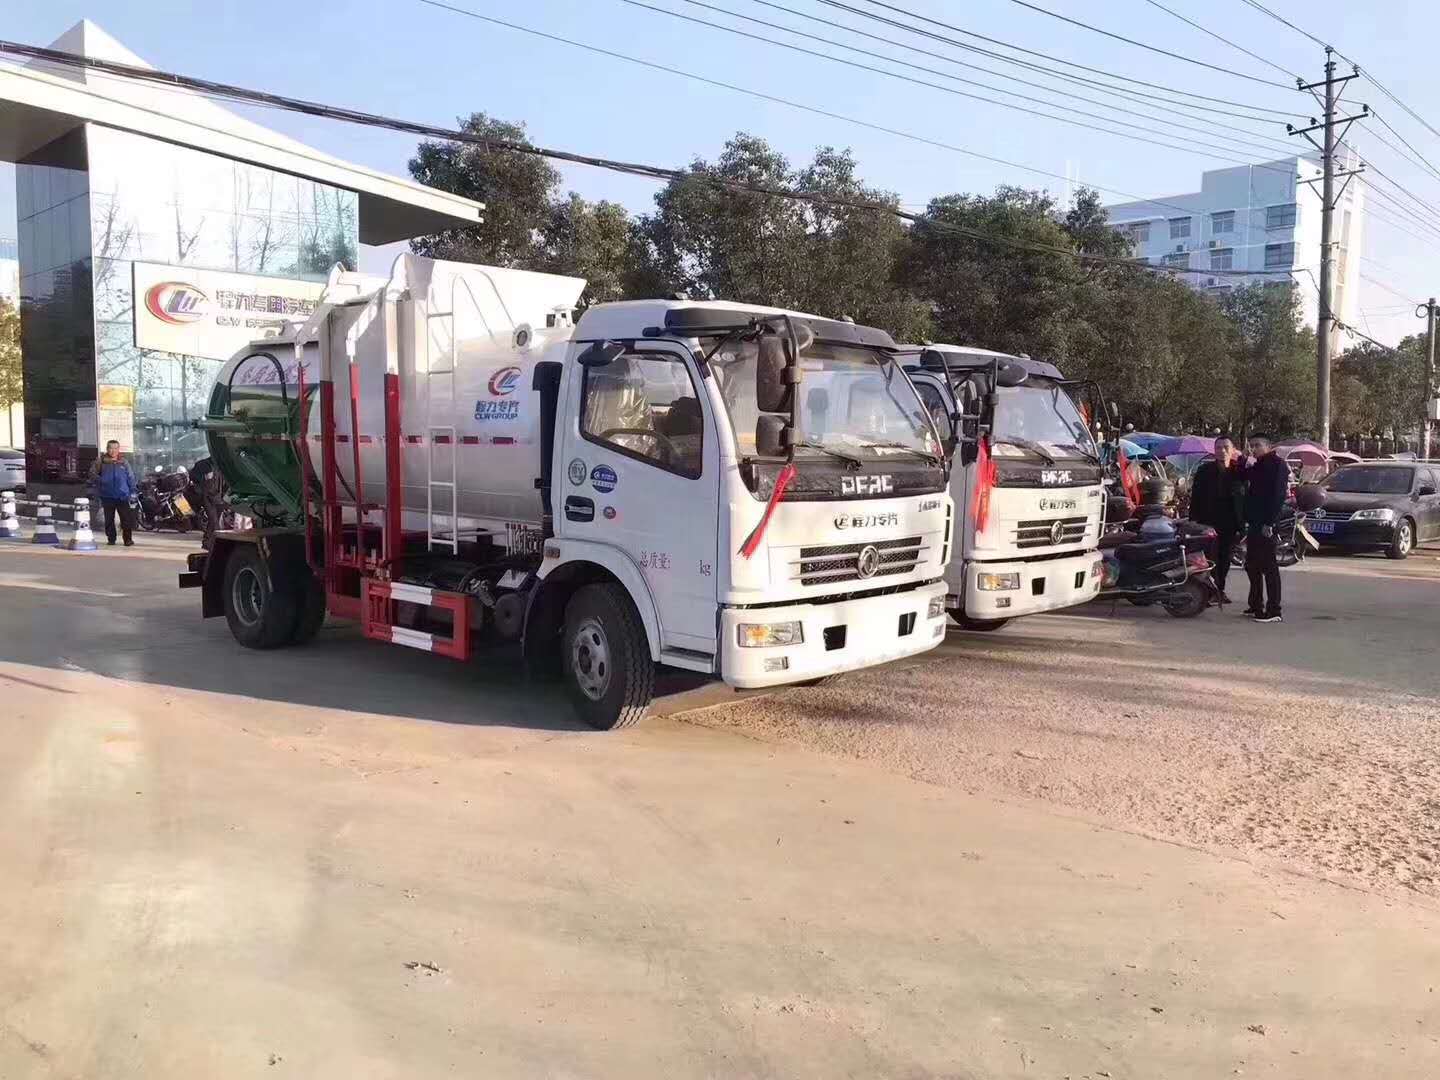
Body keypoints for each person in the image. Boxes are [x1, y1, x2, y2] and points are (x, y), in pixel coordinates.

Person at [1239, 432, 1289, 623]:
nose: (1254, 449)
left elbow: (1278, 495)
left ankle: (1274, 610)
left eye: (1257, 445)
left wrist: (1270, 522)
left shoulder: (1277, 465)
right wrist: (1243, 460)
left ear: (1269, 446)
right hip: (1254, 522)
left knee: (1269, 566)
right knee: (1252, 564)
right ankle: (1255, 604)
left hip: (1267, 523)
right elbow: (1243, 477)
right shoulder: (1258, 465)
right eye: (1252, 445)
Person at [1188, 436, 1243, 602]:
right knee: (1208, 558)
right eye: (1218, 447)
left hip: (1231, 522)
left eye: (1226, 447)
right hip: (1208, 520)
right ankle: (1208, 591)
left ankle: (1220, 590)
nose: (1222, 451)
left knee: (1225, 558)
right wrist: (1194, 520)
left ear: (1233, 450)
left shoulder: (1239, 471)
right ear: (1214, 451)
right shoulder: (1204, 470)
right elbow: (1196, 497)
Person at [88, 440, 137, 547]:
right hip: (107, 495)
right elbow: (91, 474)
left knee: (126, 519)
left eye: (115, 448)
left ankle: (128, 540)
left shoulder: (123, 462)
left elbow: (131, 477)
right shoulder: (101, 461)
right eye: (111, 448)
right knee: (109, 520)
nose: (113, 450)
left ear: (118, 449)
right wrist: (102, 480)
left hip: (122, 495)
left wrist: (133, 491)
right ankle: (111, 539)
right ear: (107, 449)